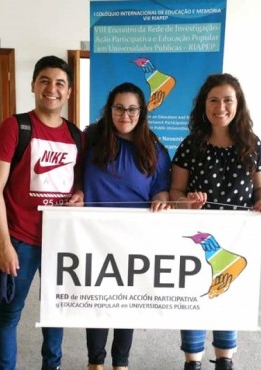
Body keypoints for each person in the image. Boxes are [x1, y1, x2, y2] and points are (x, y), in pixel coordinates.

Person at [0, 55, 84, 370]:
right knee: (10, 312)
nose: (51, 89)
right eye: (45, 81)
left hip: (60, 241)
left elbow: (78, 186)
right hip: (21, 240)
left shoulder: (76, 136)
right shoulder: (14, 128)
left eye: (59, 83)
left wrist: (79, 196)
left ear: (68, 92)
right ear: (33, 86)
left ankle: (51, 365)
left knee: (55, 310)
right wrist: (4, 244)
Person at [170, 73, 261, 370]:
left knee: (229, 295)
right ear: (204, 105)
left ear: (238, 104)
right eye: (213, 100)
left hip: (241, 238)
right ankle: (192, 360)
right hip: (200, 237)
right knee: (196, 295)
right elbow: (176, 190)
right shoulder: (191, 145)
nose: (220, 107)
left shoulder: (252, 144)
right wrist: (186, 202)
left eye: (228, 100)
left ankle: (224, 359)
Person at [83, 82, 172, 370]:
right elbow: (72, 176)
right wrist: (77, 191)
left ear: (142, 111)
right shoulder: (90, 140)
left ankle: (121, 363)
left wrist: (161, 200)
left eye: (132, 108)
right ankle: (95, 362)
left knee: (126, 301)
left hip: (134, 239)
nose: (125, 115)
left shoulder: (155, 150)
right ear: (109, 110)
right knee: (96, 299)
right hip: (92, 237)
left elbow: (160, 189)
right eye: (119, 108)